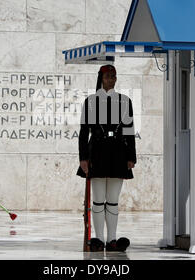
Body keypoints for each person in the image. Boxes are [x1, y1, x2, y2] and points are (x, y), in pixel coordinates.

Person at [77, 64, 137, 252]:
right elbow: (83, 132)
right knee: (98, 199)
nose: (112, 79)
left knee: (112, 199)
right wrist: (83, 158)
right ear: (101, 78)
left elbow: (129, 131)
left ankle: (112, 239)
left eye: (114, 76)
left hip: (118, 153)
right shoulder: (91, 102)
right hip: (97, 153)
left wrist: (131, 156)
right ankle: (99, 238)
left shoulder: (125, 101)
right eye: (108, 76)